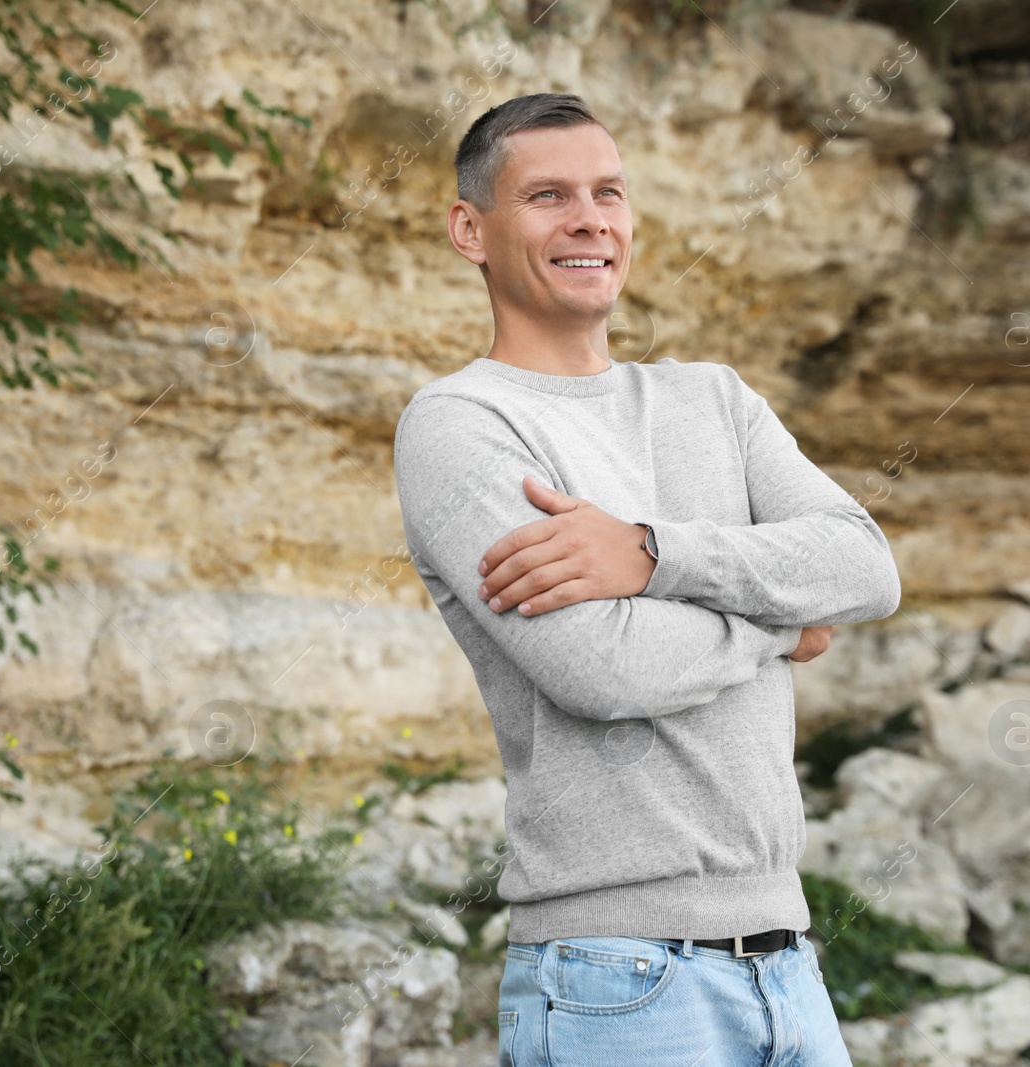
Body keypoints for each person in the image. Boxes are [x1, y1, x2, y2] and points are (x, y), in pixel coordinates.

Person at [390, 93, 901, 1066]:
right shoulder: (460, 422)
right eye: (547, 195)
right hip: (613, 980)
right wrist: (778, 625)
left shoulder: (714, 396)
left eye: (608, 192)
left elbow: (864, 566)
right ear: (470, 229)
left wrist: (655, 553)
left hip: (788, 958)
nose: (589, 218)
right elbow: (604, 668)